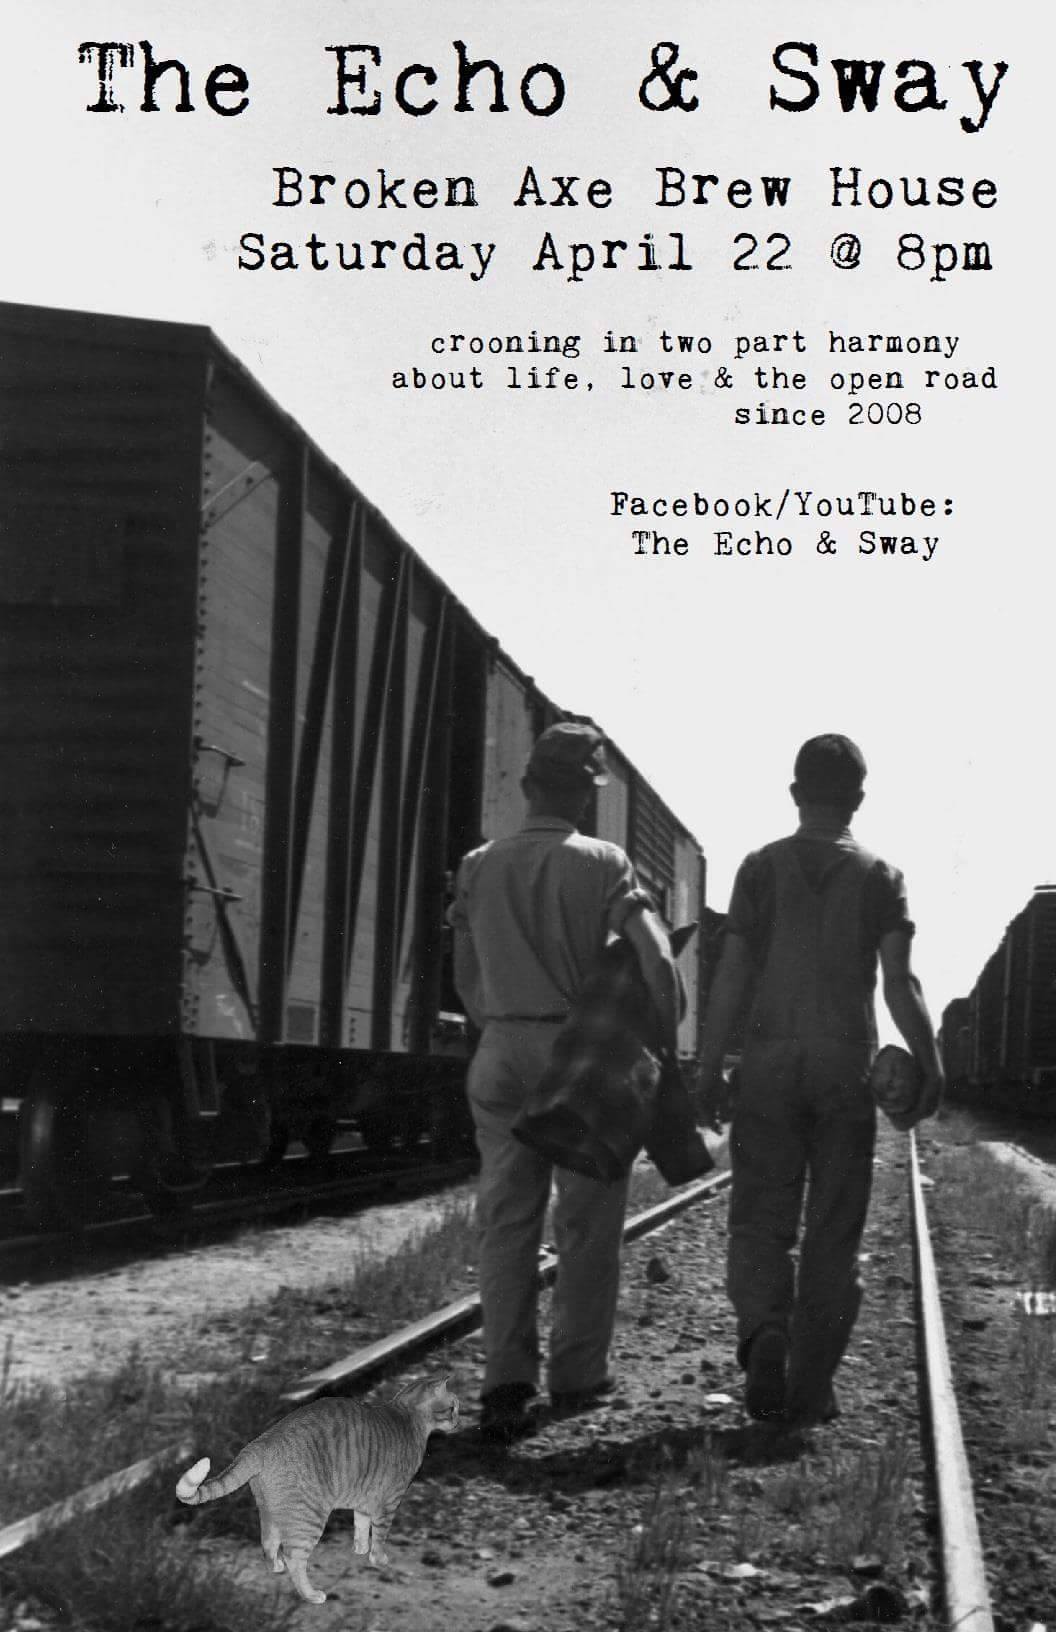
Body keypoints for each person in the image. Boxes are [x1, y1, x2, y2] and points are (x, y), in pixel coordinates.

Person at [697, 734, 944, 1429]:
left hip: (769, 1061)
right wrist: (931, 1062)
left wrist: (709, 1066)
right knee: (834, 1231)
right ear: (858, 799)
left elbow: (733, 974)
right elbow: (899, 982)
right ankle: (809, 1388)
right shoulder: (880, 876)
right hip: (844, 1064)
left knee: (759, 1217)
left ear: (795, 793)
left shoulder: (759, 868)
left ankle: (764, 1331)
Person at [449, 721, 681, 1443]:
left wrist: (497, 1020)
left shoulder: (478, 865)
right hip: (577, 1055)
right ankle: (578, 1373)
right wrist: (664, 1035)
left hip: (499, 1046)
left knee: (506, 1218)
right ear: (586, 794)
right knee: (587, 1221)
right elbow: (657, 958)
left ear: (527, 785)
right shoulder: (603, 862)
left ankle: (505, 1378)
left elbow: (464, 972)